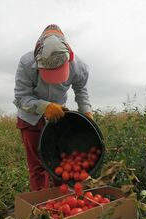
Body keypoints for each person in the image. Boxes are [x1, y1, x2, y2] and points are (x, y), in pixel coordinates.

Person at [13, 24, 93, 191]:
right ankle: (41, 202)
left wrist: (86, 110)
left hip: (58, 115)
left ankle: (61, 197)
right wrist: (44, 106)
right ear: (38, 58)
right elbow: (21, 98)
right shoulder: (27, 63)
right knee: (37, 165)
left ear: (69, 58)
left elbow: (81, 90)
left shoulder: (79, 67)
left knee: (58, 160)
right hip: (30, 116)